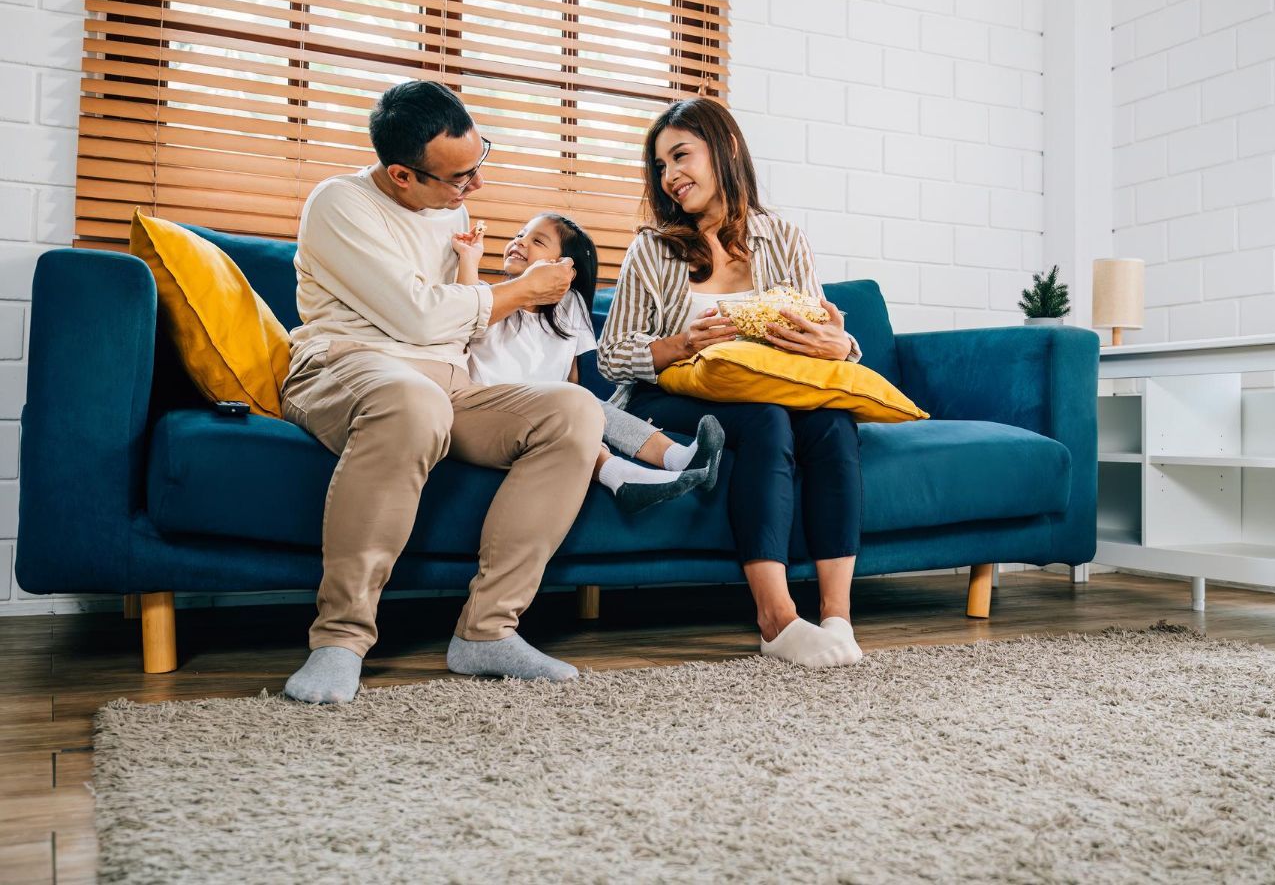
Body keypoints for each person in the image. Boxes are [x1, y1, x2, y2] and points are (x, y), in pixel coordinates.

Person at [279, 80, 604, 704]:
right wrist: (520, 291)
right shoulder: (338, 204)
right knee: (413, 403)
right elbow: (420, 316)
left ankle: (487, 631)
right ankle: (340, 640)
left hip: (447, 381)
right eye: (459, 178)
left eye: (479, 162)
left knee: (574, 410)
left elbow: (455, 322)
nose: (475, 187)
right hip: (347, 364)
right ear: (402, 175)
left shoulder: (449, 209)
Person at [598, 97, 866, 669]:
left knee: (831, 422)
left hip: (771, 387)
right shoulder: (652, 249)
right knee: (767, 422)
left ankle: (837, 616)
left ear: (727, 148)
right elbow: (610, 355)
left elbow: (825, 333)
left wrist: (841, 345)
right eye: (661, 166)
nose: (670, 176)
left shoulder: (784, 238)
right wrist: (680, 345)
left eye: (681, 156)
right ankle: (776, 619)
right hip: (674, 397)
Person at [451, 212, 725, 512]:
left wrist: (585, 411)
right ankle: (622, 476)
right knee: (572, 413)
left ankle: (681, 459)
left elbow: (573, 377)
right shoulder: (487, 298)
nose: (520, 242)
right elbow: (463, 311)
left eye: (537, 241)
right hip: (496, 411)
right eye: (519, 234)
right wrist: (468, 257)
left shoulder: (570, 306)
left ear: (564, 268)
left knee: (587, 406)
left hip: (553, 408)